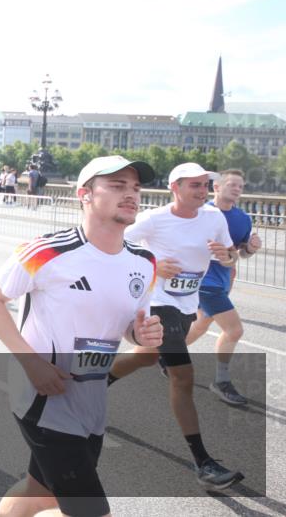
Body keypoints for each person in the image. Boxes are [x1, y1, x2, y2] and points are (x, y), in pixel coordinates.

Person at [0, 155, 162, 517]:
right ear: (85, 195)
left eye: (136, 188)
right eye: (117, 185)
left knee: (40, 492)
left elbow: (127, 323)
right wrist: (32, 364)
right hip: (43, 395)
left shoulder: (144, 261)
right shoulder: (48, 250)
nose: (131, 195)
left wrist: (140, 332)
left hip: (91, 395)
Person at [108, 163, 242, 490]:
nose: (202, 190)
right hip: (157, 303)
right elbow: (113, 245)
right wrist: (152, 263)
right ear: (175, 188)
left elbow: (229, 258)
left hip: (186, 305)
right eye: (194, 185)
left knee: (145, 357)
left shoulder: (214, 217)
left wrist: (226, 256)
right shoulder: (155, 219)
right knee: (182, 376)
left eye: (204, 185)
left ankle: (87, 386)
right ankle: (204, 464)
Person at [185, 168, 262, 405]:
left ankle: (164, 354)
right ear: (216, 187)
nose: (237, 189)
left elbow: (237, 253)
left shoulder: (242, 218)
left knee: (200, 326)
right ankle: (221, 381)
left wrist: (250, 249)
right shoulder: (200, 213)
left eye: (241, 186)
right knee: (234, 330)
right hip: (203, 281)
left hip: (223, 280)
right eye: (232, 185)